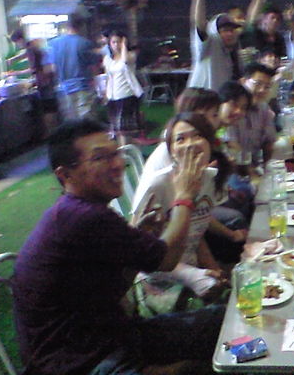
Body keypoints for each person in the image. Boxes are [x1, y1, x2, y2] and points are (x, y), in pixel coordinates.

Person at [12, 118, 225, 375]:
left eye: (116, 154)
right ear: (65, 174)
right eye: (100, 158)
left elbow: (113, 289)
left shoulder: (79, 212)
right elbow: (168, 259)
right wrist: (184, 197)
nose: (117, 164)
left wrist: (134, 247)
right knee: (200, 365)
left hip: (112, 335)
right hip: (77, 361)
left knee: (222, 321)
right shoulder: (84, 217)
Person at [131, 112, 231, 302]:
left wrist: (213, 269)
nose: (190, 144)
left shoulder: (210, 179)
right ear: (171, 151)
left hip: (194, 271)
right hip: (157, 282)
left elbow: (196, 233)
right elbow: (136, 249)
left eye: (197, 135)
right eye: (180, 139)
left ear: (210, 143)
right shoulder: (157, 185)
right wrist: (190, 275)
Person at [187, 0, 244, 91]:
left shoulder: (233, 52)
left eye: (232, 30)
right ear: (216, 31)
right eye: (225, 30)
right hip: (200, 100)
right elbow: (199, 23)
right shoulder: (210, 43)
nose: (230, 34)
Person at [47, 14, 101, 120]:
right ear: (81, 26)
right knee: (86, 121)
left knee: (70, 123)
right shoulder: (86, 43)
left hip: (64, 89)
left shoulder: (54, 44)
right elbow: (94, 68)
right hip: (83, 87)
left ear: (66, 26)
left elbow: (53, 68)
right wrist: (96, 85)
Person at [226, 62, 277, 166]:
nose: (262, 90)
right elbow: (232, 146)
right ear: (243, 81)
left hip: (255, 165)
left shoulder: (263, 108)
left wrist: (266, 169)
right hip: (234, 167)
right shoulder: (232, 109)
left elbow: (269, 142)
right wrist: (251, 172)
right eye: (258, 83)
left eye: (267, 87)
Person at [8, 29, 58, 136]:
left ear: (20, 40)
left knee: (48, 108)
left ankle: (51, 133)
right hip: (48, 80)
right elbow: (27, 54)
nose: (17, 45)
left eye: (16, 42)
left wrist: (16, 73)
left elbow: (34, 69)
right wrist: (15, 59)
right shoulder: (33, 45)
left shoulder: (31, 48)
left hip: (44, 82)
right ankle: (54, 132)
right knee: (51, 107)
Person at [102, 31, 144, 144]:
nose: (116, 45)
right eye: (113, 42)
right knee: (116, 129)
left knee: (124, 130)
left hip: (127, 94)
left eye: (119, 42)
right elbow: (108, 76)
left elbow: (124, 62)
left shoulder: (130, 55)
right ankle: (124, 150)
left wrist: (124, 45)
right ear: (110, 44)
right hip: (113, 96)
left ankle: (127, 150)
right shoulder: (108, 59)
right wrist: (106, 93)